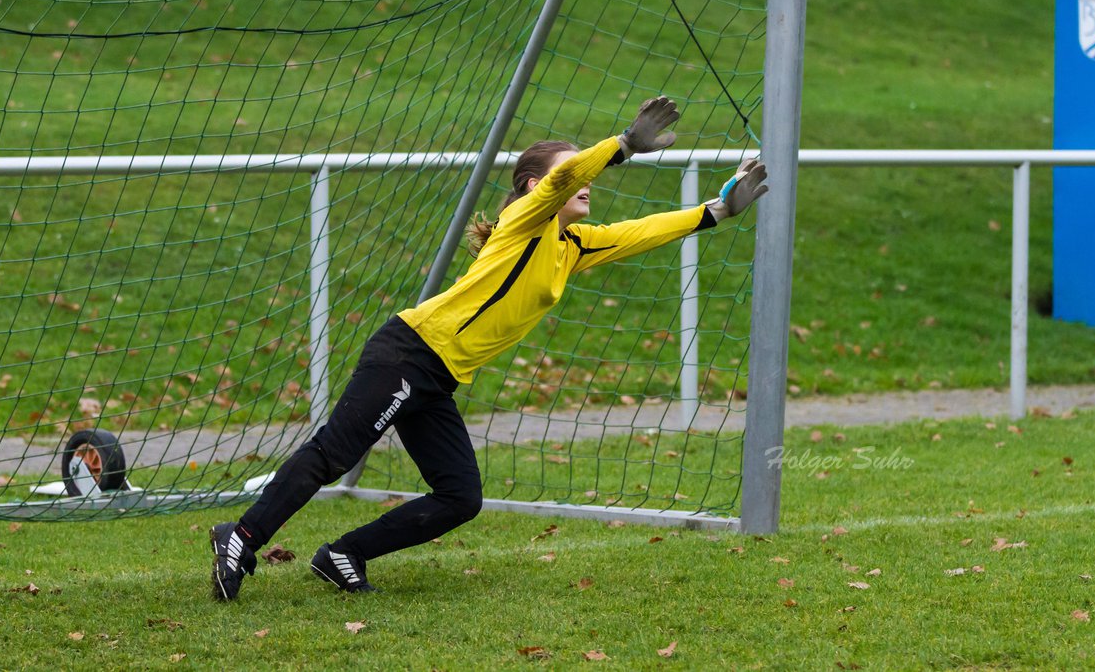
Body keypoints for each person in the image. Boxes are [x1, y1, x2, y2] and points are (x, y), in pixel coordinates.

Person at [209, 95, 768, 601]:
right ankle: (241, 537)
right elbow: (566, 177)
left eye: (585, 174)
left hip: (437, 376)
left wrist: (718, 211)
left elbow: (641, 231)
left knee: (460, 495)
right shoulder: (524, 220)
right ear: (534, 186)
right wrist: (621, 146)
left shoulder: (571, 243)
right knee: (335, 453)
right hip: (409, 352)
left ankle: (343, 554)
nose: (585, 183)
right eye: (571, 174)